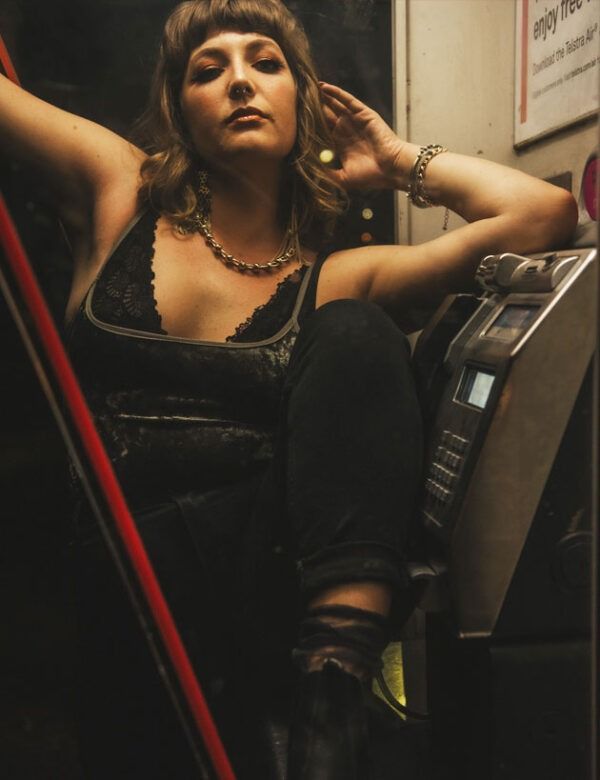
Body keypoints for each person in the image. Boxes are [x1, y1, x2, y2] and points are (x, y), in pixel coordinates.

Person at [0, 1, 577, 777]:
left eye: (265, 63)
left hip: (255, 592)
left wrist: (400, 158)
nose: (239, 80)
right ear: (180, 108)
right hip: (117, 578)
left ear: (303, 103)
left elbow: (543, 213)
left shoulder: (335, 277)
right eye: (210, 71)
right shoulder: (118, 191)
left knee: (357, 331)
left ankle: (334, 695)